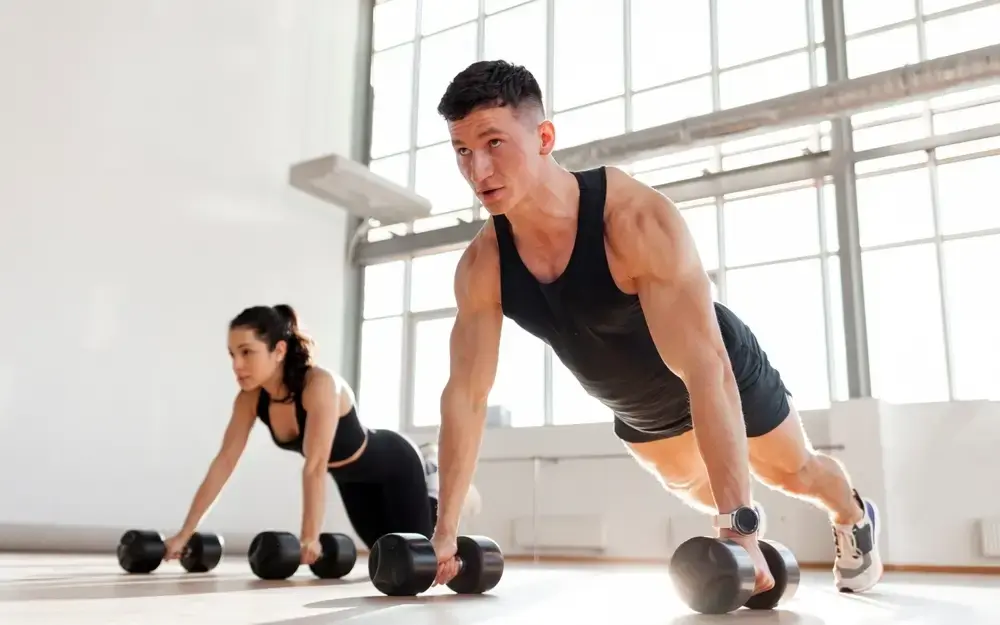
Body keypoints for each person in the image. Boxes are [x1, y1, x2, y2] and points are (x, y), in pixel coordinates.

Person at [427, 60, 882, 597]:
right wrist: (445, 530)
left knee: (793, 473)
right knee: (697, 486)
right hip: (638, 407)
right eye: (462, 151)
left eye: (495, 143)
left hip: (720, 368)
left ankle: (853, 514)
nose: (478, 171)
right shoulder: (483, 266)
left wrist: (737, 525)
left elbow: (705, 369)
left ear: (544, 136)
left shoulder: (634, 221)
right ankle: (740, 509)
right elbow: (466, 397)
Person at [163, 304, 470, 564]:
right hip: (351, 480)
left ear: (278, 350)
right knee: (389, 555)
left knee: (422, 556)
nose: (237, 365)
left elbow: (314, 465)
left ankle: (433, 478)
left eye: (247, 352)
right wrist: (184, 533)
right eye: (232, 354)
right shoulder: (250, 399)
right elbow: (224, 462)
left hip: (395, 466)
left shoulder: (319, 385)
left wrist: (309, 536)